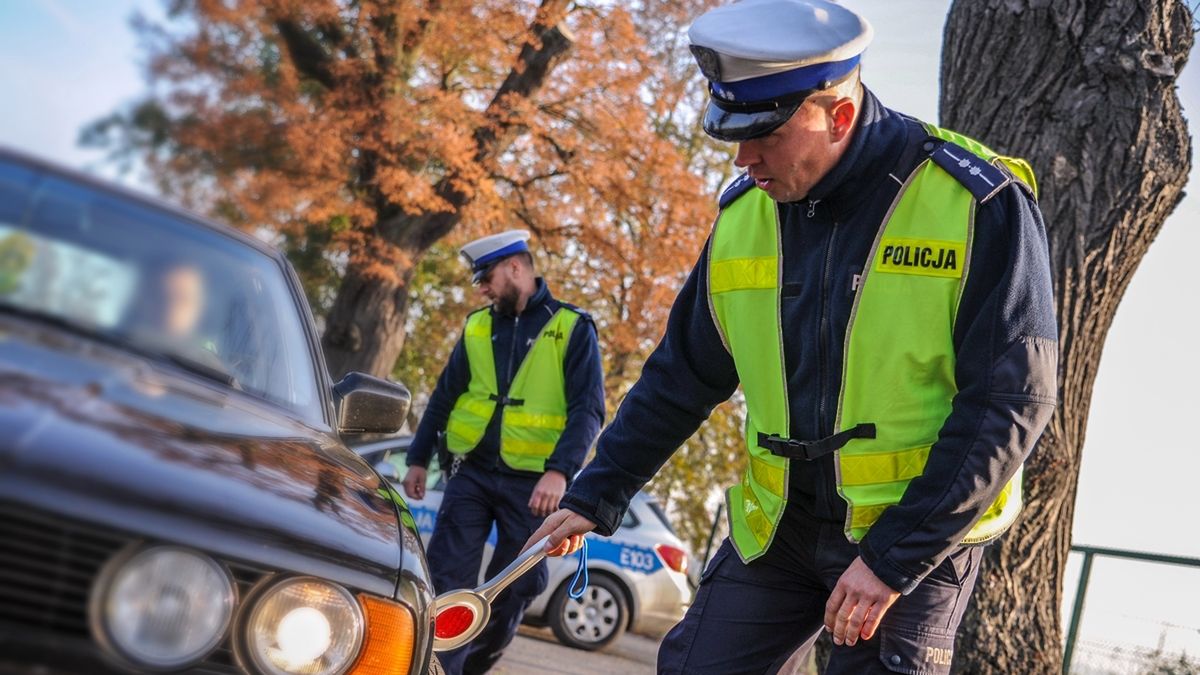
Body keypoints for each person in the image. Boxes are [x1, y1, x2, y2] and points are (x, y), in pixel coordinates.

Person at [527, 1, 1058, 673]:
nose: (744, 157)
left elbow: (1012, 403)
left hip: (911, 536)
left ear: (837, 114)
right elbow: (680, 377)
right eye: (733, 133)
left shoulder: (977, 202)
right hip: (779, 530)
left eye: (766, 133)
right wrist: (594, 494)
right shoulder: (743, 216)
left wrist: (892, 558)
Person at [401, 230, 605, 675]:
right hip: (470, 473)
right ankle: (437, 671)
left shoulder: (571, 327)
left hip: (535, 487)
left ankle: (469, 669)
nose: (482, 288)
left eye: (487, 276)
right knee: (447, 582)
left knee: (516, 588)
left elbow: (588, 410)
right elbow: (445, 395)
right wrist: (419, 457)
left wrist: (560, 472)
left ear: (516, 268)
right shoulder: (477, 325)